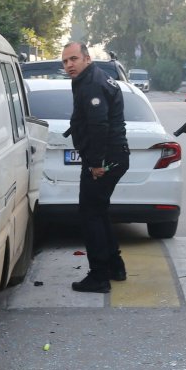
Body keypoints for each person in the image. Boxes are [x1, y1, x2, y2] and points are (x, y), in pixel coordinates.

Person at [62, 41, 130, 293]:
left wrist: (96, 163)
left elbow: (99, 125)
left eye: (73, 59)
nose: (69, 65)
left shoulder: (91, 83)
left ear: (87, 59)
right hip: (112, 157)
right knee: (98, 213)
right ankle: (114, 266)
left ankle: (99, 276)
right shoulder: (94, 78)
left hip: (104, 160)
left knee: (90, 215)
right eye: (65, 61)